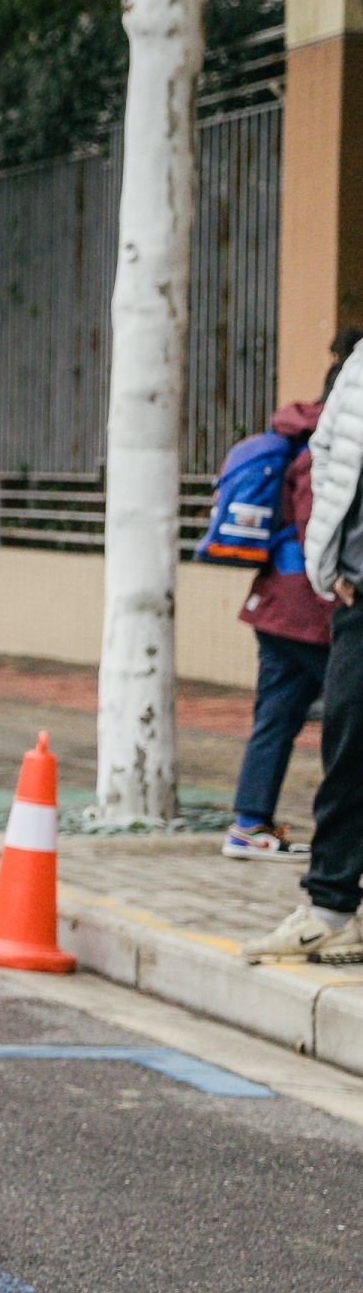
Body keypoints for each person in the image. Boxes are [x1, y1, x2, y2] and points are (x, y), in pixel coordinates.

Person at [249, 332, 363, 965]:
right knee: (347, 748)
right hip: (357, 592)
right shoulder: (359, 365)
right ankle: (330, 909)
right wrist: (330, 558)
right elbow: (327, 454)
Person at [223, 328, 353, 860]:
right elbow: (314, 526)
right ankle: (337, 841)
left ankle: (249, 826)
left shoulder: (297, 435)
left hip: (277, 604)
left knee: (275, 718)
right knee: (351, 717)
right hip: (311, 609)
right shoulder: (323, 449)